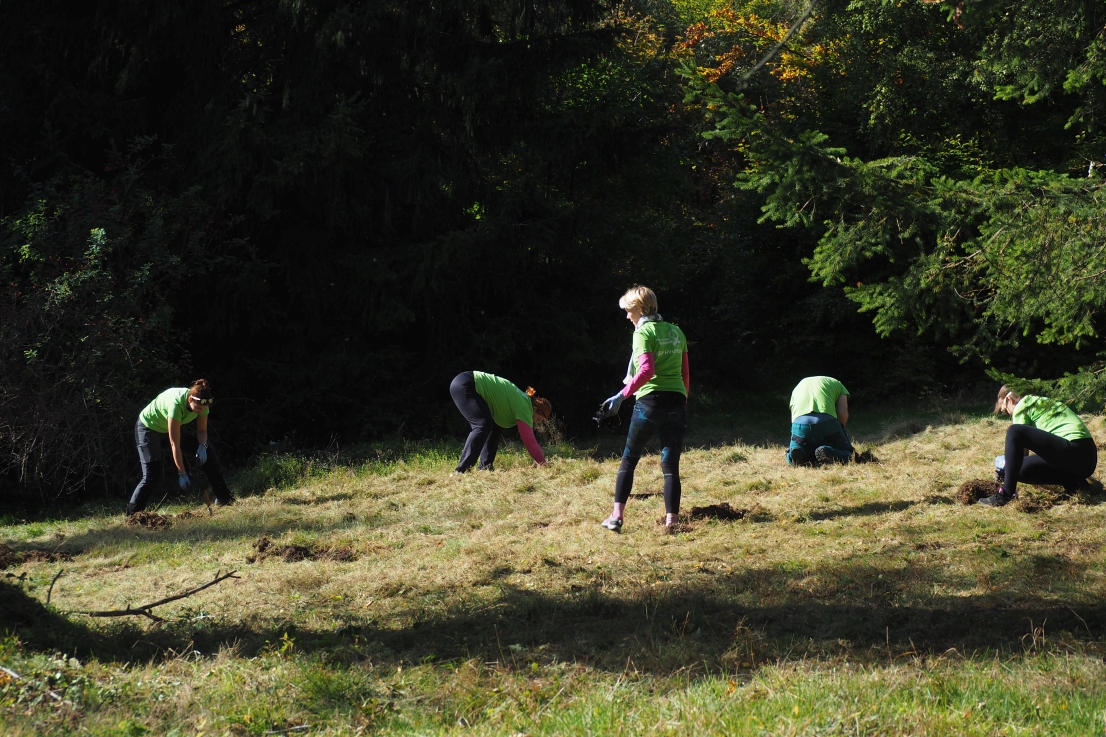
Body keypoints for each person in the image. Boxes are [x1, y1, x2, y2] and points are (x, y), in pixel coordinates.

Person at [597, 286, 689, 533]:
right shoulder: (677, 332)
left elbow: (646, 371)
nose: (627, 317)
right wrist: (682, 402)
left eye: (628, 311)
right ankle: (672, 521)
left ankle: (616, 517)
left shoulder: (642, 333)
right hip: (677, 401)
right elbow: (685, 375)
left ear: (638, 308)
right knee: (670, 465)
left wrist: (621, 396)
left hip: (650, 402)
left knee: (629, 459)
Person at [127, 379, 234, 515]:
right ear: (190, 399)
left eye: (204, 409)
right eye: (199, 409)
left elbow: (202, 432)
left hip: (168, 429)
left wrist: (202, 446)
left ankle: (224, 498)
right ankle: (133, 515)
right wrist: (181, 473)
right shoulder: (176, 405)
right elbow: (174, 444)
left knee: (208, 455)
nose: (201, 411)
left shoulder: (202, 405)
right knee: (151, 475)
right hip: (148, 429)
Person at [979, 386, 1098, 507]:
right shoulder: (1041, 402)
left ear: (1009, 399)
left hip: (1074, 450)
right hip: (1087, 459)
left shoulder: (1023, 405)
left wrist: (1002, 465)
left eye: (1005, 410)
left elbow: (1021, 454)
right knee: (1019, 469)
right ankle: (1075, 483)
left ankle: (1006, 493)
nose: (1009, 415)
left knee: (1014, 432)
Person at [449, 372, 550, 472]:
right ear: (535, 409)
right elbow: (529, 441)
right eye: (537, 419)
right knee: (482, 425)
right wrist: (542, 463)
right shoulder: (525, 407)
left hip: (466, 381)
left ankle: (486, 467)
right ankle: (463, 470)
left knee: (494, 427)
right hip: (467, 384)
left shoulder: (523, 400)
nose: (535, 423)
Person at [787, 376, 852, 466]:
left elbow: (793, 419)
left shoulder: (798, 387)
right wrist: (840, 431)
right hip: (827, 423)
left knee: (796, 449)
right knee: (849, 454)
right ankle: (827, 452)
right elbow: (843, 414)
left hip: (799, 425)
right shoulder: (838, 385)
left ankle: (797, 453)